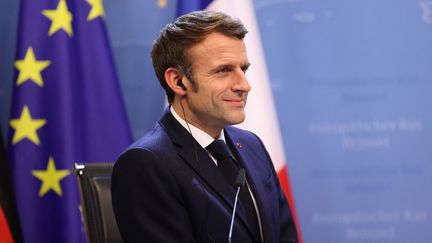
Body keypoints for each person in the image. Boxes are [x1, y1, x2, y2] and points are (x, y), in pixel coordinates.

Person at [111, 10, 298, 243]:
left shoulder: (252, 145)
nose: (244, 85)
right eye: (224, 70)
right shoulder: (145, 164)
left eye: (244, 68)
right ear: (178, 81)